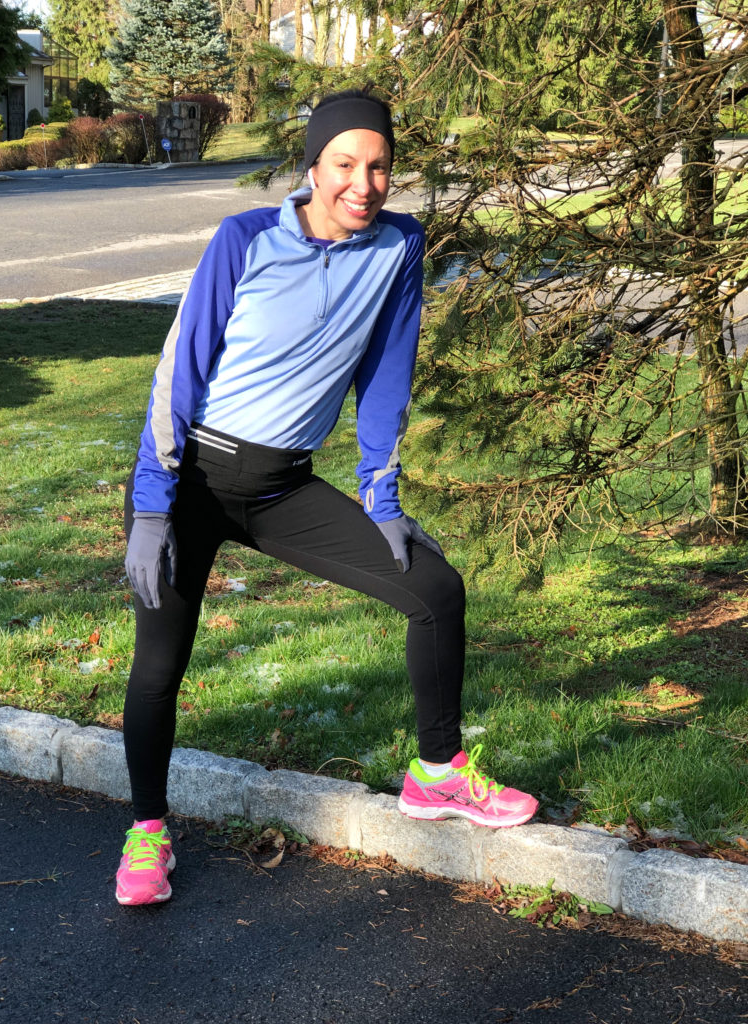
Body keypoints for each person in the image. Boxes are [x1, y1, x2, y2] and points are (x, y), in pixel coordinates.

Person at [116, 89, 538, 906]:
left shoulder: (399, 246)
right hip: (193, 484)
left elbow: (386, 378)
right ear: (313, 167)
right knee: (160, 665)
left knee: (435, 589)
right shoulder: (244, 240)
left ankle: (438, 774)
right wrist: (150, 507)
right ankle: (146, 832)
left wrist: (382, 498)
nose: (364, 182)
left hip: (282, 488)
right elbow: (179, 374)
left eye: (379, 165)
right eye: (345, 163)